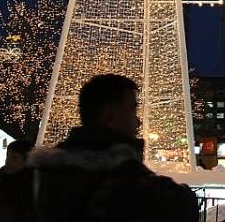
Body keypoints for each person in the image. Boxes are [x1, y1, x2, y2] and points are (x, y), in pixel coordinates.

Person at [29, 74, 198, 222]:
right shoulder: (123, 173)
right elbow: (182, 207)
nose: (138, 121)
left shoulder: (48, 173)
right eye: (132, 109)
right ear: (109, 115)